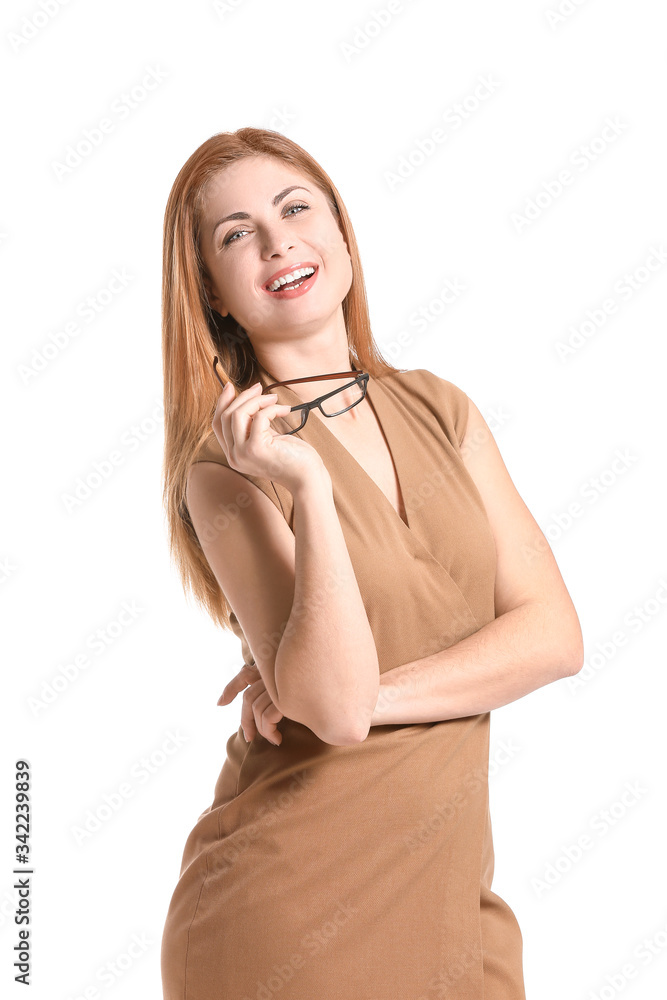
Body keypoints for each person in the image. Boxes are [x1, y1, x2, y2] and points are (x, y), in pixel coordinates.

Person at [159, 126, 584, 999]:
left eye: (294, 208)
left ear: (343, 235)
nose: (278, 242)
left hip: (456, 912)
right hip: (288, 918)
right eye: (236, 234)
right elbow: (337, 720)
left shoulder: (440, 408)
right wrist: (308, 489)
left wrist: (361, 692)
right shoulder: (225, 469)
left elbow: (552, 637)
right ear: (213, 294)